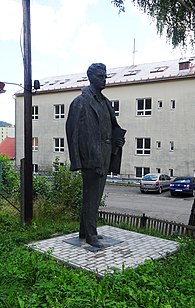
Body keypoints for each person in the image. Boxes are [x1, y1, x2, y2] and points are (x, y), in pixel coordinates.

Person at [66, 63, 125, 248]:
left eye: (106, 76)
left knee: (94, 196)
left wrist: (117, 140)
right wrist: (76, 161)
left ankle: (85, 231)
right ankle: (90, 235)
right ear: (91, 77)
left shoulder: (105, 102)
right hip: (91, 156)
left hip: (106, 155)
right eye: (100, 76)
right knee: (91, 197)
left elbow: (112, 126)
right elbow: (72, 132)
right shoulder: (80, 102)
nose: (104, 79)